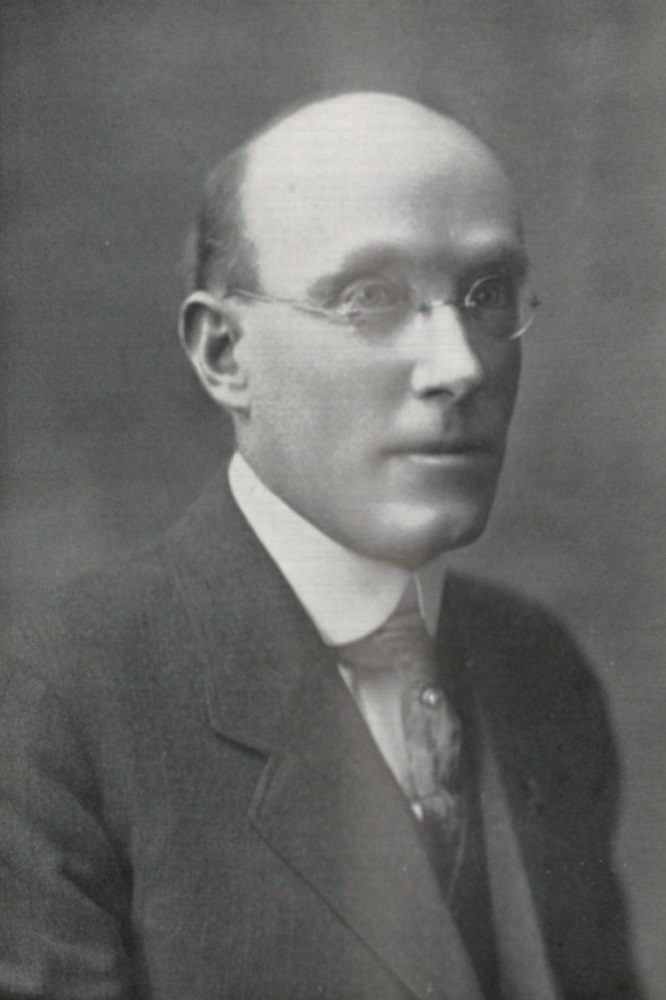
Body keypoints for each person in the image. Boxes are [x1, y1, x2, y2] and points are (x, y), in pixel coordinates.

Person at [0, 92, 642, 1000]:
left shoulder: (539, 670)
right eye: (370, 299)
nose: (460, 364)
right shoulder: (55, 706)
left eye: (488, 295)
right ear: (225, 353)